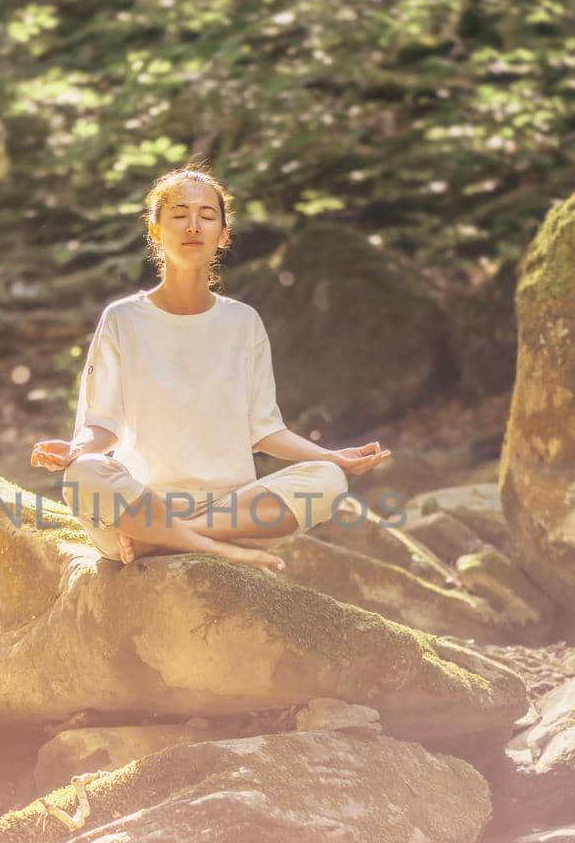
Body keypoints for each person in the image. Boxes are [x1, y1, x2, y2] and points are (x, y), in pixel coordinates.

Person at [30, 165, 390, 573]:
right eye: (179, 214)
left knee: (327, 481)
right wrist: (76, 450)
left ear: (223, 234)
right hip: (138, 507)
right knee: (85, 474)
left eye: (206, 215)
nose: (193, 225)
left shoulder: (243, 323)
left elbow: (265, 429)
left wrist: (333, 457)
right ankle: (212, 547)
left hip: (232, 510)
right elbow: (103, 426)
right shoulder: (122, 320)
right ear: (155, 229)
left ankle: (167, 539)